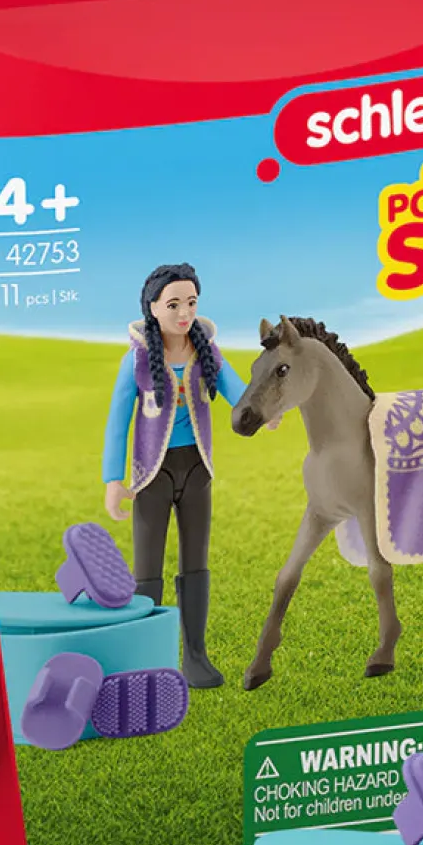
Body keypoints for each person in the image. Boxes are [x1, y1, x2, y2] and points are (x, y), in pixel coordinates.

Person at [101, 263, 246, 687]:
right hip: (151, 474)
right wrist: (113, 479)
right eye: (174, 305)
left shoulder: (207, 352)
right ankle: (144, 658)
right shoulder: (137, 360)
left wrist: (261, 414)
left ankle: (195, 655)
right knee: (148, 568)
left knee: (195, 562)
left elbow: (239, 393)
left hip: (198, 469)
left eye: (191, 303)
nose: (184, 313)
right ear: (152, 308)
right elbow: (118, 421)